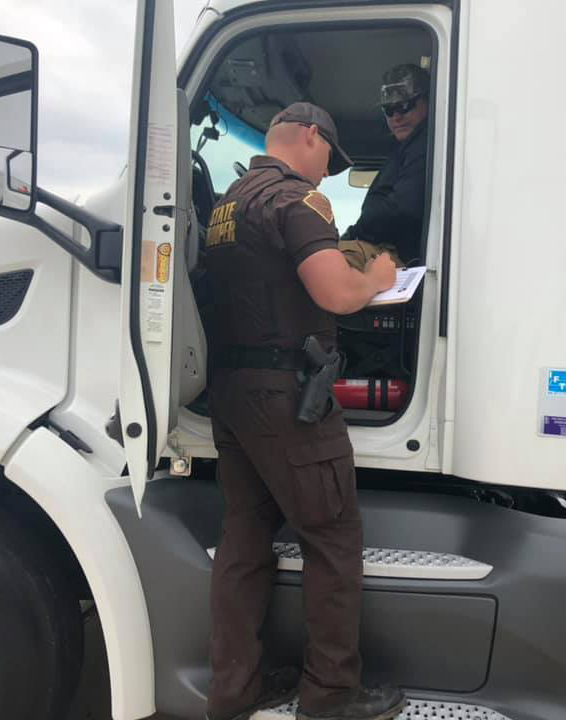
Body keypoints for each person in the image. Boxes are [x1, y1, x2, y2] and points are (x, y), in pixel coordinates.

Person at [204, 101, 405, 720]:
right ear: (311, 137)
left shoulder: (229, 202)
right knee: (333, 536)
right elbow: (336, 292)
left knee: (245, 538)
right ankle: (331, 696)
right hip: (287, 397)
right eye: (329, 160)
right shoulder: (298, 200)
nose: (328, 176)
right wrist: (378, 274)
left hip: (232, 393)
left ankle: (235, 692)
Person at [341, 63, 430, 265]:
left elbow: (402, 209)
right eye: (388, 109)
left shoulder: (425, 143)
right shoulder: (408, 147)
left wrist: (354, 234)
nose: (396, 117)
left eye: (404, 106)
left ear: (428, 101)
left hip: (398, 258)